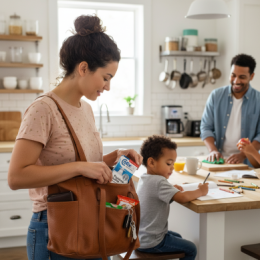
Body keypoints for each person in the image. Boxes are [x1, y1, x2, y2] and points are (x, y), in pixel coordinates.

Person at [7, 15, 142, 260]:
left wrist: (114, 158)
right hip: (56, 226)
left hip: (91, 219)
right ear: (83, 68)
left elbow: (79, 162)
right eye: (106, 77)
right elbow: (16, 177)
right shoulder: (43, 109)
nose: (108, 86)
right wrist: (81, 166)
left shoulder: (86, 109)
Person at [136, 135, 208, 260]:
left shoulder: (145, 178)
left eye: (173, 163)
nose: (172, 167)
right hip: (152, 241)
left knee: (178, 237)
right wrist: (200, 191)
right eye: (169, 163)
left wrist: (171, 188)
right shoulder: (159, 181)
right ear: (151, 162)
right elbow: (183, 197)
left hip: (140, 238)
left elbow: (157, 193)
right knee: (191, 249)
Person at [201, 54, 260, 166]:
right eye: (233, 75)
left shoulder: (258, 100)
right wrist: (213, 150)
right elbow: (206, 127)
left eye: (242, 77)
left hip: (247, 163)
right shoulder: (216, 96)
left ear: (251, 76)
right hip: (219, 162)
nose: (236, 81)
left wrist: (242, 155)